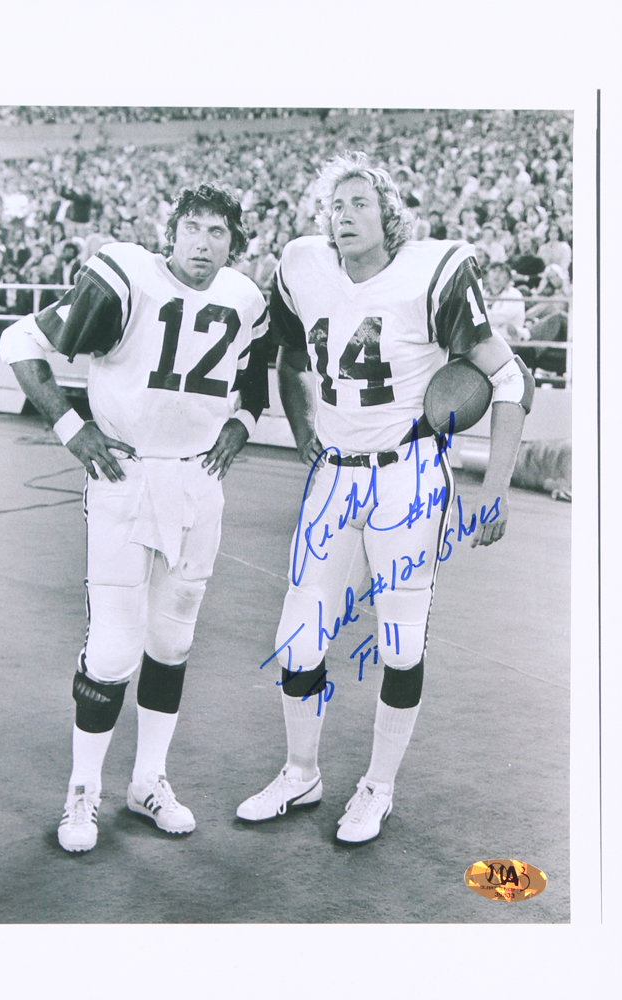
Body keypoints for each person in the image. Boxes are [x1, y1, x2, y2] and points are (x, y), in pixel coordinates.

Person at [236, 152, 533, 844]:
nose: (344, 215)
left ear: (389, 216)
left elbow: (510, 378)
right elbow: (288, 354)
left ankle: (378, 786)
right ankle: (300, 772)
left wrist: (494, 490)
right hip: (336, 474)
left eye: (359, 203)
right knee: (297, 638)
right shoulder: (302, 266)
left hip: (408, 475)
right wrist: (304, 429)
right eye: (335, 205)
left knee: (399, 642)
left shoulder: (430, 272)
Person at [0, 184, 270, 852]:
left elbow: (254, 376)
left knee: (172, 642)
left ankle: (148, 781)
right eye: (192, 227)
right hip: (125, 475)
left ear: (234, 244)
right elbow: (19, 338)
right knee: (115, 646)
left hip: (198, 481)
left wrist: (241, 422)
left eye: (217, 232)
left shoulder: (245, 297)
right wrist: (71, 426)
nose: (202, 243)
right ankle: (82, 791)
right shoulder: (126, 275)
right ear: (169, 231)